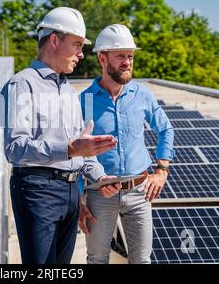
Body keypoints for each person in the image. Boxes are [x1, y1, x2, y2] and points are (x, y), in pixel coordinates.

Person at [0, 7, 122, 264]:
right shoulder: (22, 84)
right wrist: (70, 148)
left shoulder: (67, 90)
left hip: (70, 193)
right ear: (54, 40)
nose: (81, 53)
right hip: (37, 190)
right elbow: (15, 148)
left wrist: (101, 177)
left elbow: (80, 150)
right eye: (76, 44)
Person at [78, 24, 175, 264]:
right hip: (99, 194)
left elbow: (166, 129)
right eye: (120, 56)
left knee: (141, 260)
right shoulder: (85, 101)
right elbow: (76, 153)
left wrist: (162, 170)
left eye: (130, 56)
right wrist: (79, 201)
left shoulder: (142, 95)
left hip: (140, 192)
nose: (128, 62)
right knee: (97, 259)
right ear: (102, 58)